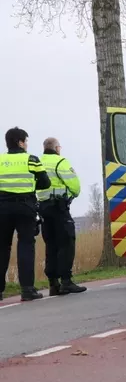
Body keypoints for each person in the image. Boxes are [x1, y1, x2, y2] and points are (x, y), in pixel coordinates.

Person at [0, 128, 50, 301]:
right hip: (25, 207)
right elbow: (45, 182)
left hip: (2, 208)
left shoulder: (0, 160)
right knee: (25, 246)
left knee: (2, 247)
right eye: (26, 141)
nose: (27, 144)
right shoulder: (31, 159)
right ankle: (27, 289)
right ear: (20, 142)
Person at [38, 137, 86, 296]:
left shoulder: (37, 162)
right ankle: (66, 281)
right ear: (57, 148)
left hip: (43, 208)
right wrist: (72, 195)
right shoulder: (60, 162)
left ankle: (53, 283)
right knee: (66, 242)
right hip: (59, 207)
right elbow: (75, 185)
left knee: (50, 244)